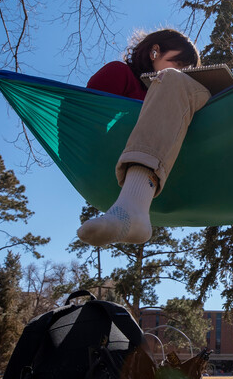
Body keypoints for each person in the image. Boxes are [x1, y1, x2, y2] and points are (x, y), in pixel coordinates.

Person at [76, 29, 209, 246]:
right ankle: (132, 209)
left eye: (189, 69)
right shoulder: (120, 73)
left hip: (183, 161)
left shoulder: (181, 86)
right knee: (172, 80)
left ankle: (133, 210)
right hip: (122, 166)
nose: (184, 71)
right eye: (180, 63)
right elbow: (84, 118)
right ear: (155, 52)